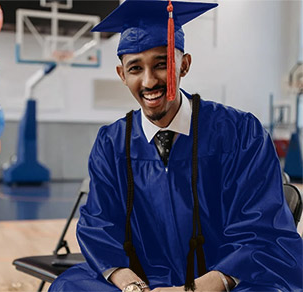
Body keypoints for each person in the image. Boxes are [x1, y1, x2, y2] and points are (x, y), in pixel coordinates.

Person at [49, 0, 303, 291]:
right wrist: (130, 284)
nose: (149, 80)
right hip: (143, 278)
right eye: (135, 68)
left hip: (224, 280)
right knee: (70, 286)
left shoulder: (240, 133)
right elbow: (99, 224)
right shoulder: (112, 143)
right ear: (122, 75)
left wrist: (198, 288)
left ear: (184, 64)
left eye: (162, 64)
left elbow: (262, 229)